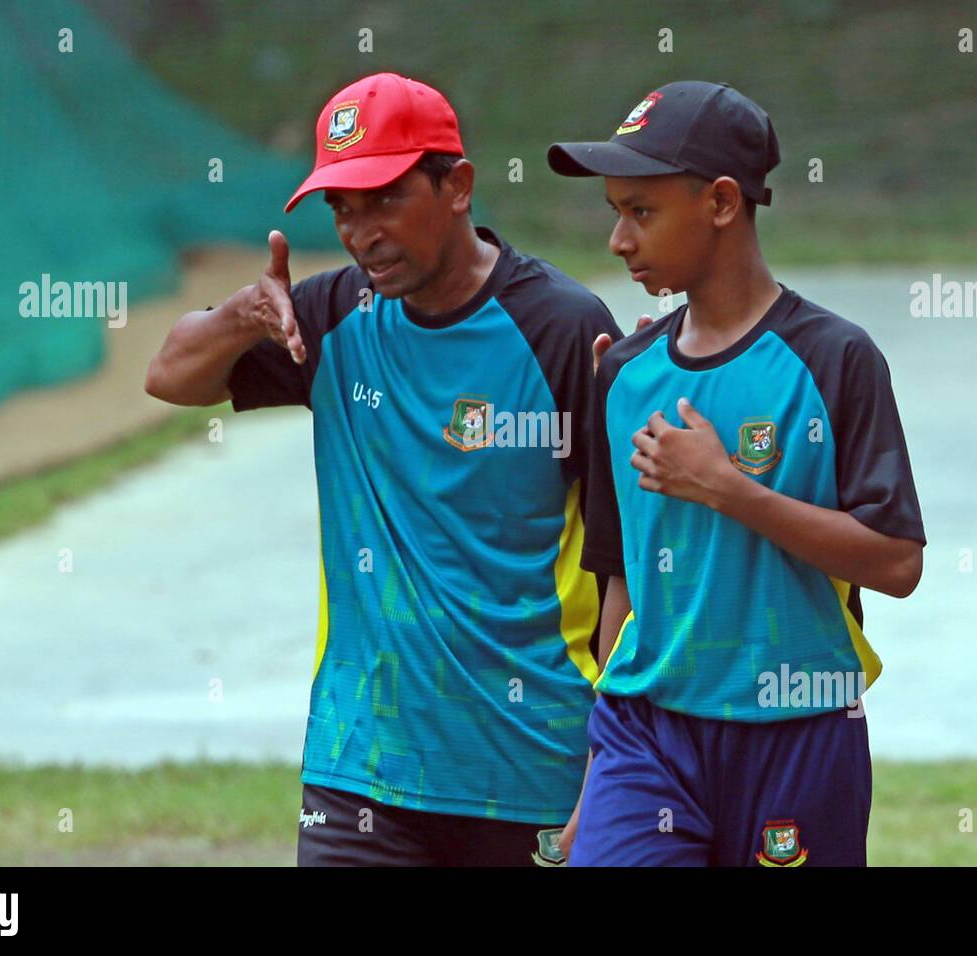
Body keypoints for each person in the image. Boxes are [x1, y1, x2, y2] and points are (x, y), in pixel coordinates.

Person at [145, 72, 621, 866]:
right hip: (360, 771)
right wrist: (240, 316)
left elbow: (626, 564)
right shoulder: (332, 317)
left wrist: (614, 763)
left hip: (536, 767)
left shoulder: (561, 329)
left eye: (385, 200)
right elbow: (172, 377)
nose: (362, 232)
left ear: (459, 186)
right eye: (342, 209)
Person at [546, 81, 926, 866]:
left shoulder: (834, 359)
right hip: (644, 732)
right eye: (613, 210)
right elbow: (619, 585)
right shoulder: (621, 374)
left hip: (799, 729)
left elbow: (896, 562)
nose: (618, 239)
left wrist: (729, 489)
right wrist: (594, 774)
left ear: (722, 202)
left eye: (640, 211)